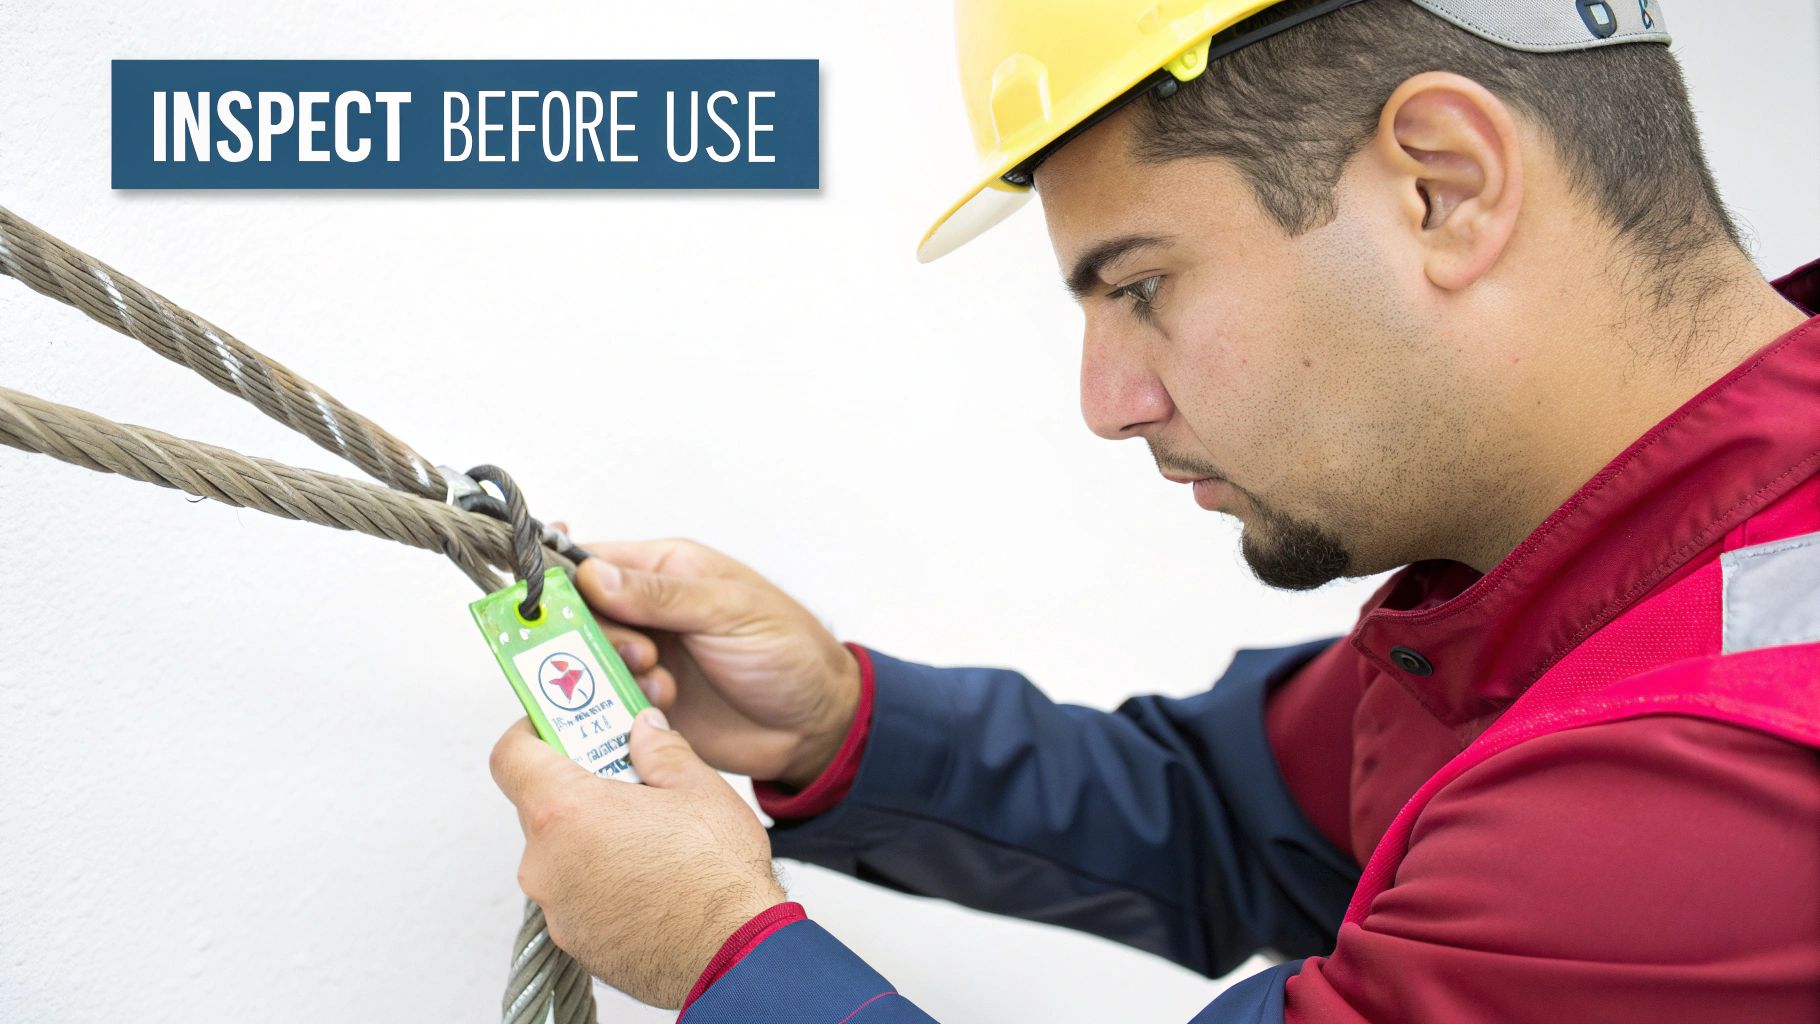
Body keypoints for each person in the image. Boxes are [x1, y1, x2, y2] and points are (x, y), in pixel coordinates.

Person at [485, 1, 1820, 1020]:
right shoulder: (1614, 589)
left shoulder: (1702, 786)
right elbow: (1242, 816)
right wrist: (843, 723)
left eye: (1139, 286)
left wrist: (724, 954)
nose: (1108, 401)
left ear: (1444, 184)